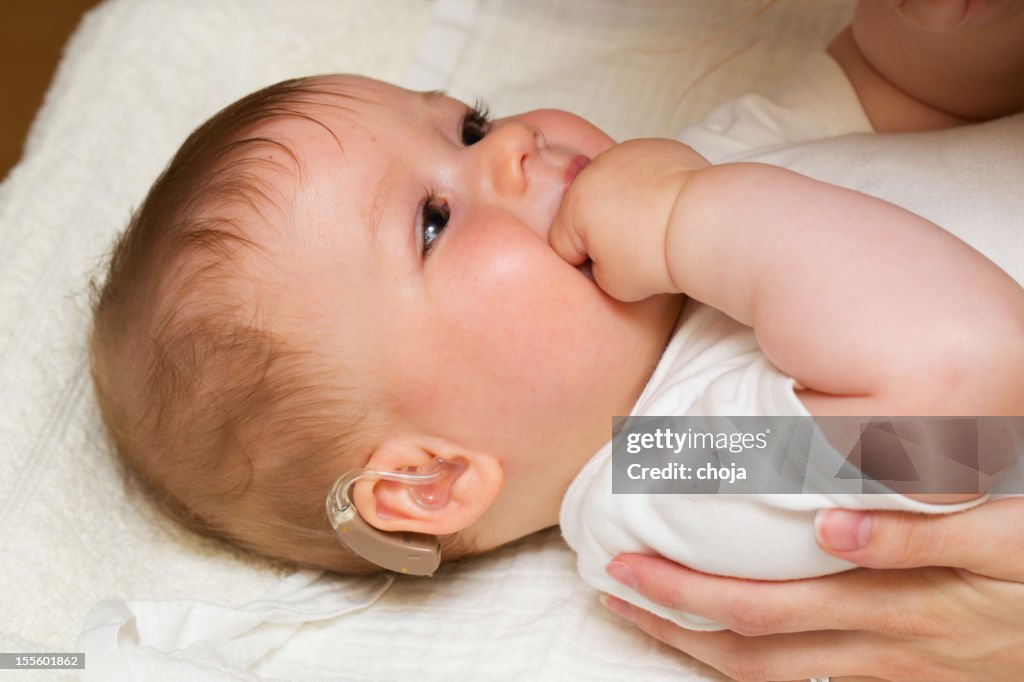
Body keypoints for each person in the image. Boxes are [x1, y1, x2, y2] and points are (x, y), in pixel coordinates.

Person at [87, 0, 1024, 677]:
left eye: (468, 123)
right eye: (432, 220)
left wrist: (933, 27)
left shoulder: (695, 170)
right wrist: (685, 221)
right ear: (430, 480)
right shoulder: (666, 472)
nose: (511, 145)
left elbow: (903, 88)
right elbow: (964, 396)